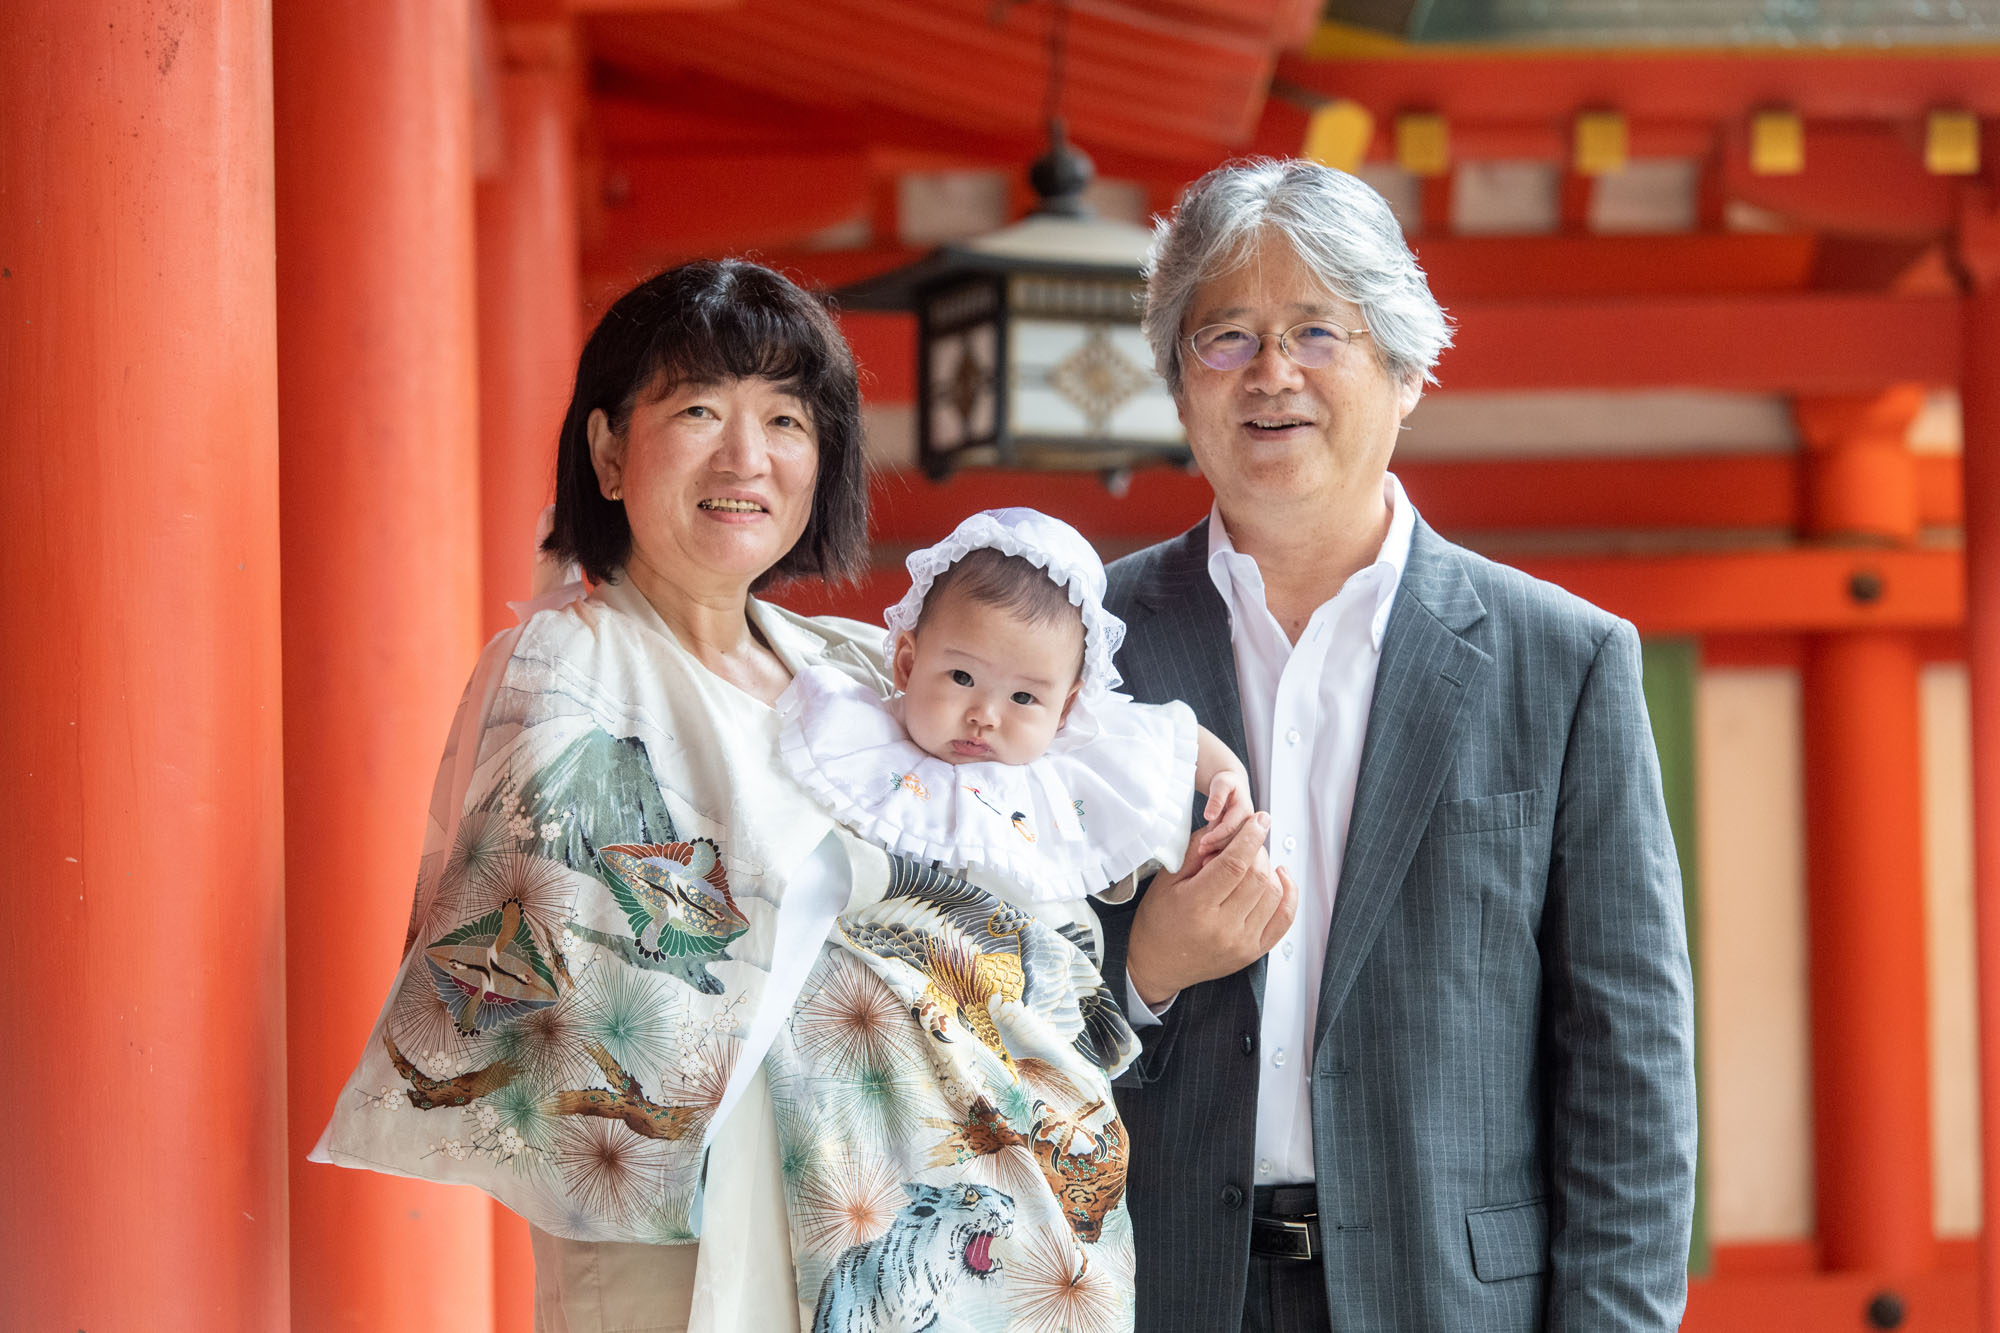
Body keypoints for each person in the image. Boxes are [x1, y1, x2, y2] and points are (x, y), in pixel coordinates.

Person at [311, 260, 1173, 1333]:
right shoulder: (567, 670)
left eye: (787, 419)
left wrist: (1208, 772)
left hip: (935, 1252)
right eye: (699, 409)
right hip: (695, 1256)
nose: (746, 456)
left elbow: (1056, 822)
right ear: (609, 451)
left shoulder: (860, 669)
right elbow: (579, 1000)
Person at [1096, 159, 1698, 1332]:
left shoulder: (1562, 661)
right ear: (1178, 387)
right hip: (1145, 1284)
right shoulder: (1082, 653)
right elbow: (989, 996)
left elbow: (1629, 1066)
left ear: (1406, 369)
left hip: (1452, 1295)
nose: (1271, 373)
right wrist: (1141, 971)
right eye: (1224, 337)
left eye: (1317, 329)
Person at [777, 506, 1253, 940]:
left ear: (1064, 709)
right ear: (906, 663)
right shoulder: (862, 743)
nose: (985, 716)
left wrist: (1227, 775)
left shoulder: (1066, 757)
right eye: (962, 677)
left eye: (1023, 697)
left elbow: (1167, 736)